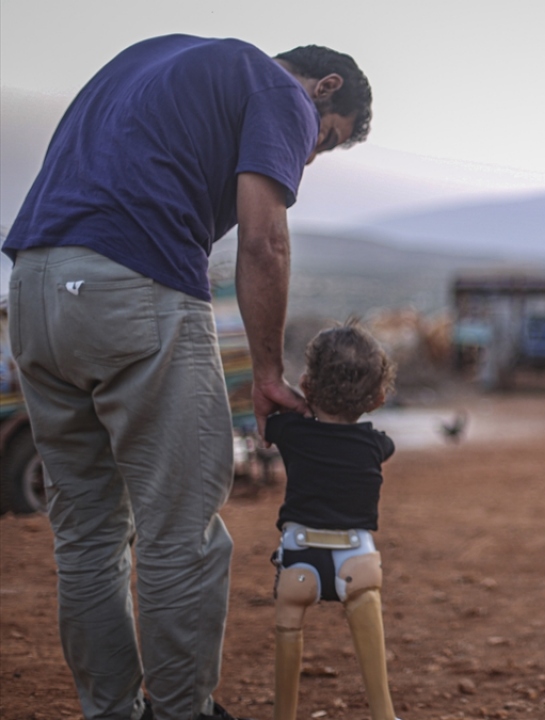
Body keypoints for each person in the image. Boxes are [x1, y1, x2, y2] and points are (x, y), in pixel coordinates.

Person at [2, 35, 372, 720]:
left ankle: (111, 711)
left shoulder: (151, 58)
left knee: (86, 532)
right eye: (324, 140)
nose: (309, 156)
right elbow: (264, 239)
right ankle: (182, 712)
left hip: (32, 289)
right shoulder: (278, 90)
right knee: (179, 531)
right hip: (134, 288)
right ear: (323, 87)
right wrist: (267, 371)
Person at [266, 324, 397, 720]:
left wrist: (297, 404)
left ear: (306, 383)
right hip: (356, 561)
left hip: (299, 558)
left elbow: (270, 421)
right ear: (377, 397)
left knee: (288, 632)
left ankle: (283, 715)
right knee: (369, 633)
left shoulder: (288, 431)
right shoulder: (377, 443)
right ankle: (383, 713)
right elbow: (383, 444)